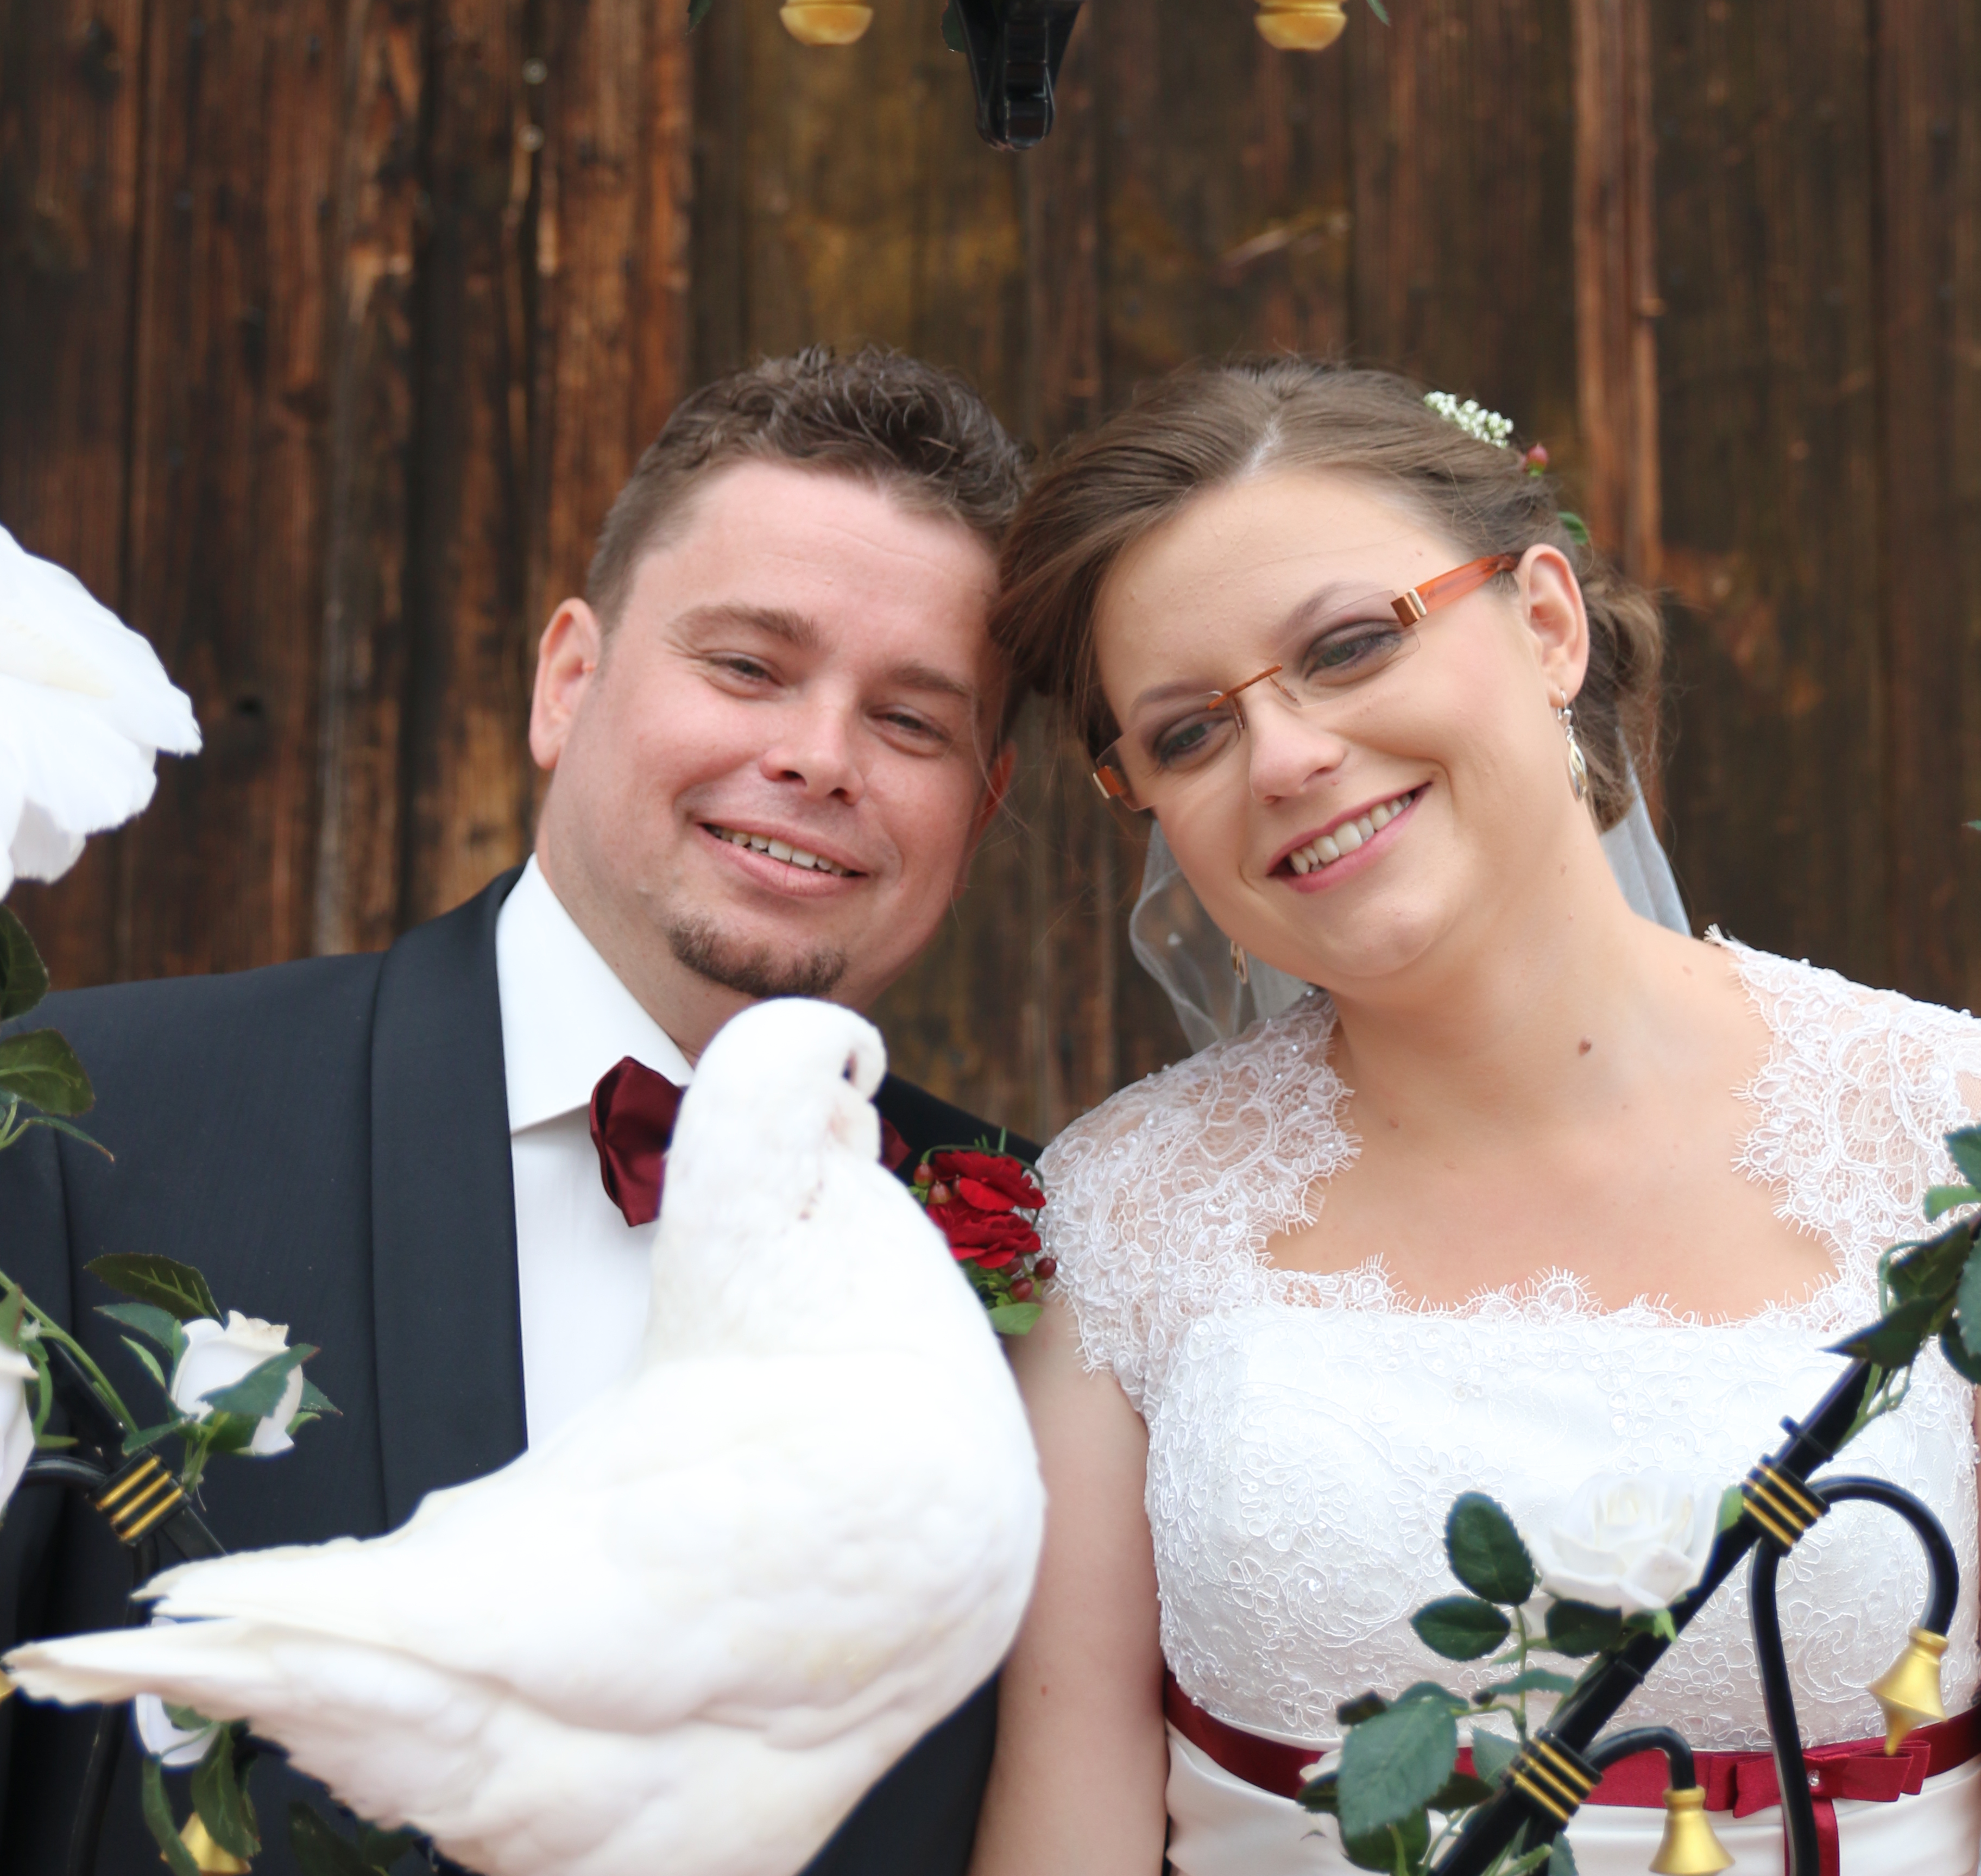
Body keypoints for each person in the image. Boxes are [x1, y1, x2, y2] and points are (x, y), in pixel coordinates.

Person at [0, 344, 1033, 1876]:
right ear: (569, 683)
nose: (818, 757)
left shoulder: (1060, 1265)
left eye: (912, 722)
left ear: (980, 807)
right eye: (748, 667)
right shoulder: (85, 1127)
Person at [973, 356, 1981, 1876]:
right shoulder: (1122, 1221)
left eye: (1349, 646)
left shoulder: (1948, 1135)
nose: (1286, 757)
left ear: (1548, 624)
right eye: (1187, 734)